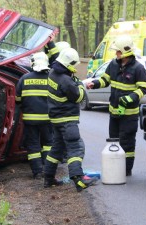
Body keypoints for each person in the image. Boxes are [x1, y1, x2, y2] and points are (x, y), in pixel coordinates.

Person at [86, 35, 146, 176]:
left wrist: (130, 97)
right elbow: (105, 80)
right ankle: (115, 167)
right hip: (114, 113)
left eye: (118, 52)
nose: (116, 54)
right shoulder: (113, 64)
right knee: (114, 142)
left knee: (127, 144)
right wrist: (94, 84)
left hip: (129, 115)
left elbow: (144, 88)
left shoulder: (138, 68)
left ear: (125, 52)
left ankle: (126, 170)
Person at [44, 47, 97, 192]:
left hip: (56, 119)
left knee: (56, 149)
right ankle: (78, 179)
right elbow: (79, 97)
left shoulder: (53, 74)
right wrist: (79, 84)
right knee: (76, 148)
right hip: (68, 121)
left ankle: (48, 179)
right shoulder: (66, 80)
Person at [15, 52, 53, 179]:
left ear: (33, 63)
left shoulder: (24, 78)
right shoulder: (51, 79)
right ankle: (48, 169)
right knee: (48, 143)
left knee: (33, 145)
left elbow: (17, 99)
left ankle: (37, 172)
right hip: (48, 120)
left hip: (30, 120)